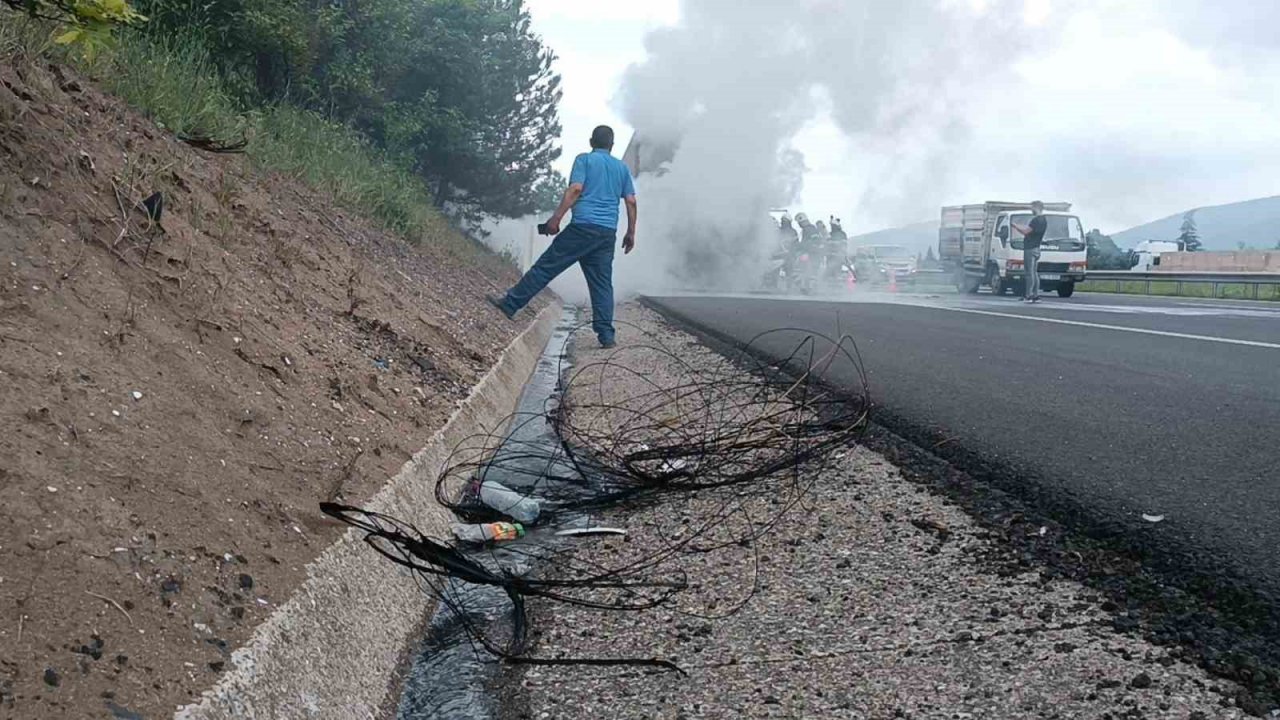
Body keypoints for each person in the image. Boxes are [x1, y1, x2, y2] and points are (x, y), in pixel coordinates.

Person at [488, 126, 637, 347]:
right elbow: (631, 201)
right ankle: (606, 336)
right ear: (612, 145)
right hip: (606, 234)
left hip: (582, 228)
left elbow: (575, 189)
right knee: (602, 285)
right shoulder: (621, 168)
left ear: (591, 142)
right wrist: (631, 232)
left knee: (545, 267)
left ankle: (510, 304)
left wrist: (556, 219)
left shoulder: (584, 160)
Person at [1012, 200, 1047, 302]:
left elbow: (1026, 231)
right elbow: (1030, 230)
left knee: (1029, 273)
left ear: (1036, 207)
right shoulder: (1044, 220)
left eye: (1032, 207)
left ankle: (1029, 295)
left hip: (1030, 249)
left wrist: (1015, 226)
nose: (1031, 209)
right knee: (1034, 273)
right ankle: (1035, 294)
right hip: (1037, 248)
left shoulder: (1036, 220)